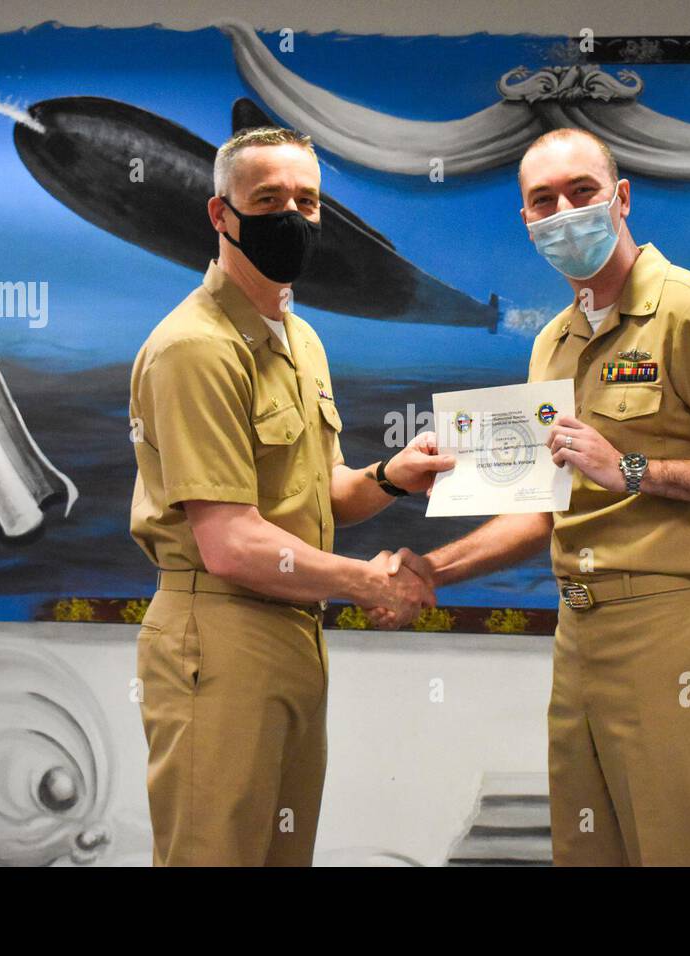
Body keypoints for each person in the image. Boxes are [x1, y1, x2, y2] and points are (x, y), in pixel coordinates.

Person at [397, 128, 690, 866]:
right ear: (526, 223)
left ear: (621, 199)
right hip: (578, 633)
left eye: (582, 192)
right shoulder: (552, 341)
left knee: (682, 851)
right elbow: (540, 509)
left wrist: (635, 469)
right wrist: (433, 572)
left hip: (671, 624)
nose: (563, 213)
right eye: (543, 201)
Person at [128, 126, 451, 866]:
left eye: (306, 201)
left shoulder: (299, 339)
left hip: (292, 631)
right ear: (220, 215)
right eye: (266, 199)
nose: (291, 216)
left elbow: (317, 494)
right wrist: (369, 582)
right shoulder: (197, 348)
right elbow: (232, 542)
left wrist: (391, 478)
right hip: (220, 631)